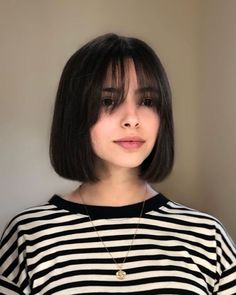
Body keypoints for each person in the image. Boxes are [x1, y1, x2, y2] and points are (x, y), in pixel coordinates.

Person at [0, 33, 235, 295]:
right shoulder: (28, 236)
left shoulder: (206, 237)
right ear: (76, 112)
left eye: (147, 101)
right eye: (108, 101)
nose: (132, 119)